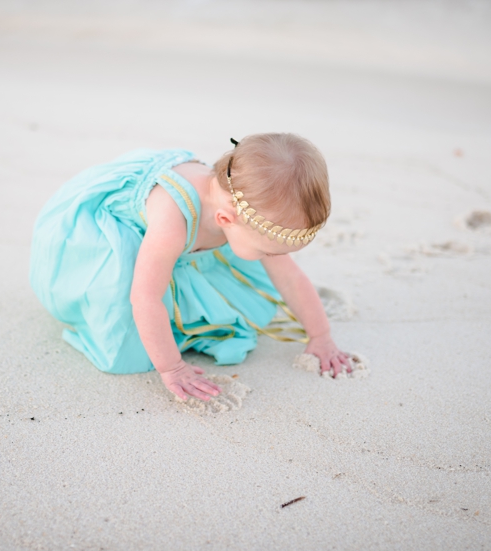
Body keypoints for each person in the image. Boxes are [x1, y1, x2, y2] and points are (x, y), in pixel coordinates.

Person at [30, 133, 351, 402]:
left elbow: (291, 278)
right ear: (226, 220)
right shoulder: (172, 221)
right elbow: (145, 298)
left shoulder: (242, 205)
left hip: (192, 228)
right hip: (118, 231)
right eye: (269, 251)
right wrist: (171, 367)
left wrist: (321, 335)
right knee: (130, 337)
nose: (276, 258)